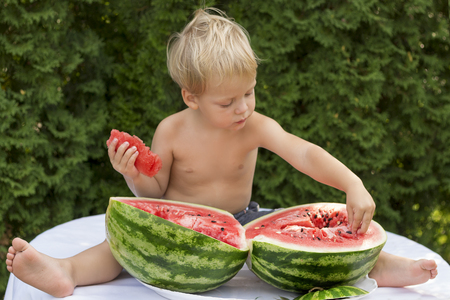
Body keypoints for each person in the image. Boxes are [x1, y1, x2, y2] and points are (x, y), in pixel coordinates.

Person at [6, 7, 438, 298]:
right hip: (176, 225)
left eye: (248, 92)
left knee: (314, 249)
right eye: (227, 102)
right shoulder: (171, 130)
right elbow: (152, 187)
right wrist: (132, 173)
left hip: (242, 221)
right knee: (115, 249)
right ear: (191, 97)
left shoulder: (255, 125)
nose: (243, 108)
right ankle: (66, 273)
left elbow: (304, 154)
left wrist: (352, 183)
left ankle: (382, 267)